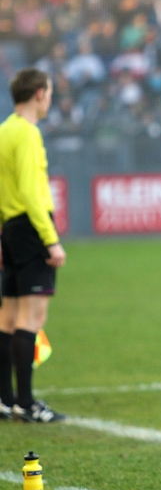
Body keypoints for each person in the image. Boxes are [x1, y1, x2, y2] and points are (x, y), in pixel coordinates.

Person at [0, 68, 66, 423]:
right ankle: (25, 403)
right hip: (30, 227)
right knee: (30, 317)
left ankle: (4, 398)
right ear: (39, 93)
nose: (50, 100)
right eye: (50, 93)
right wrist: (50, 239)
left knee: (7, 315)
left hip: (9, 228)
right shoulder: (27, 133)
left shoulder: (4, 130)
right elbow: (29, 190)